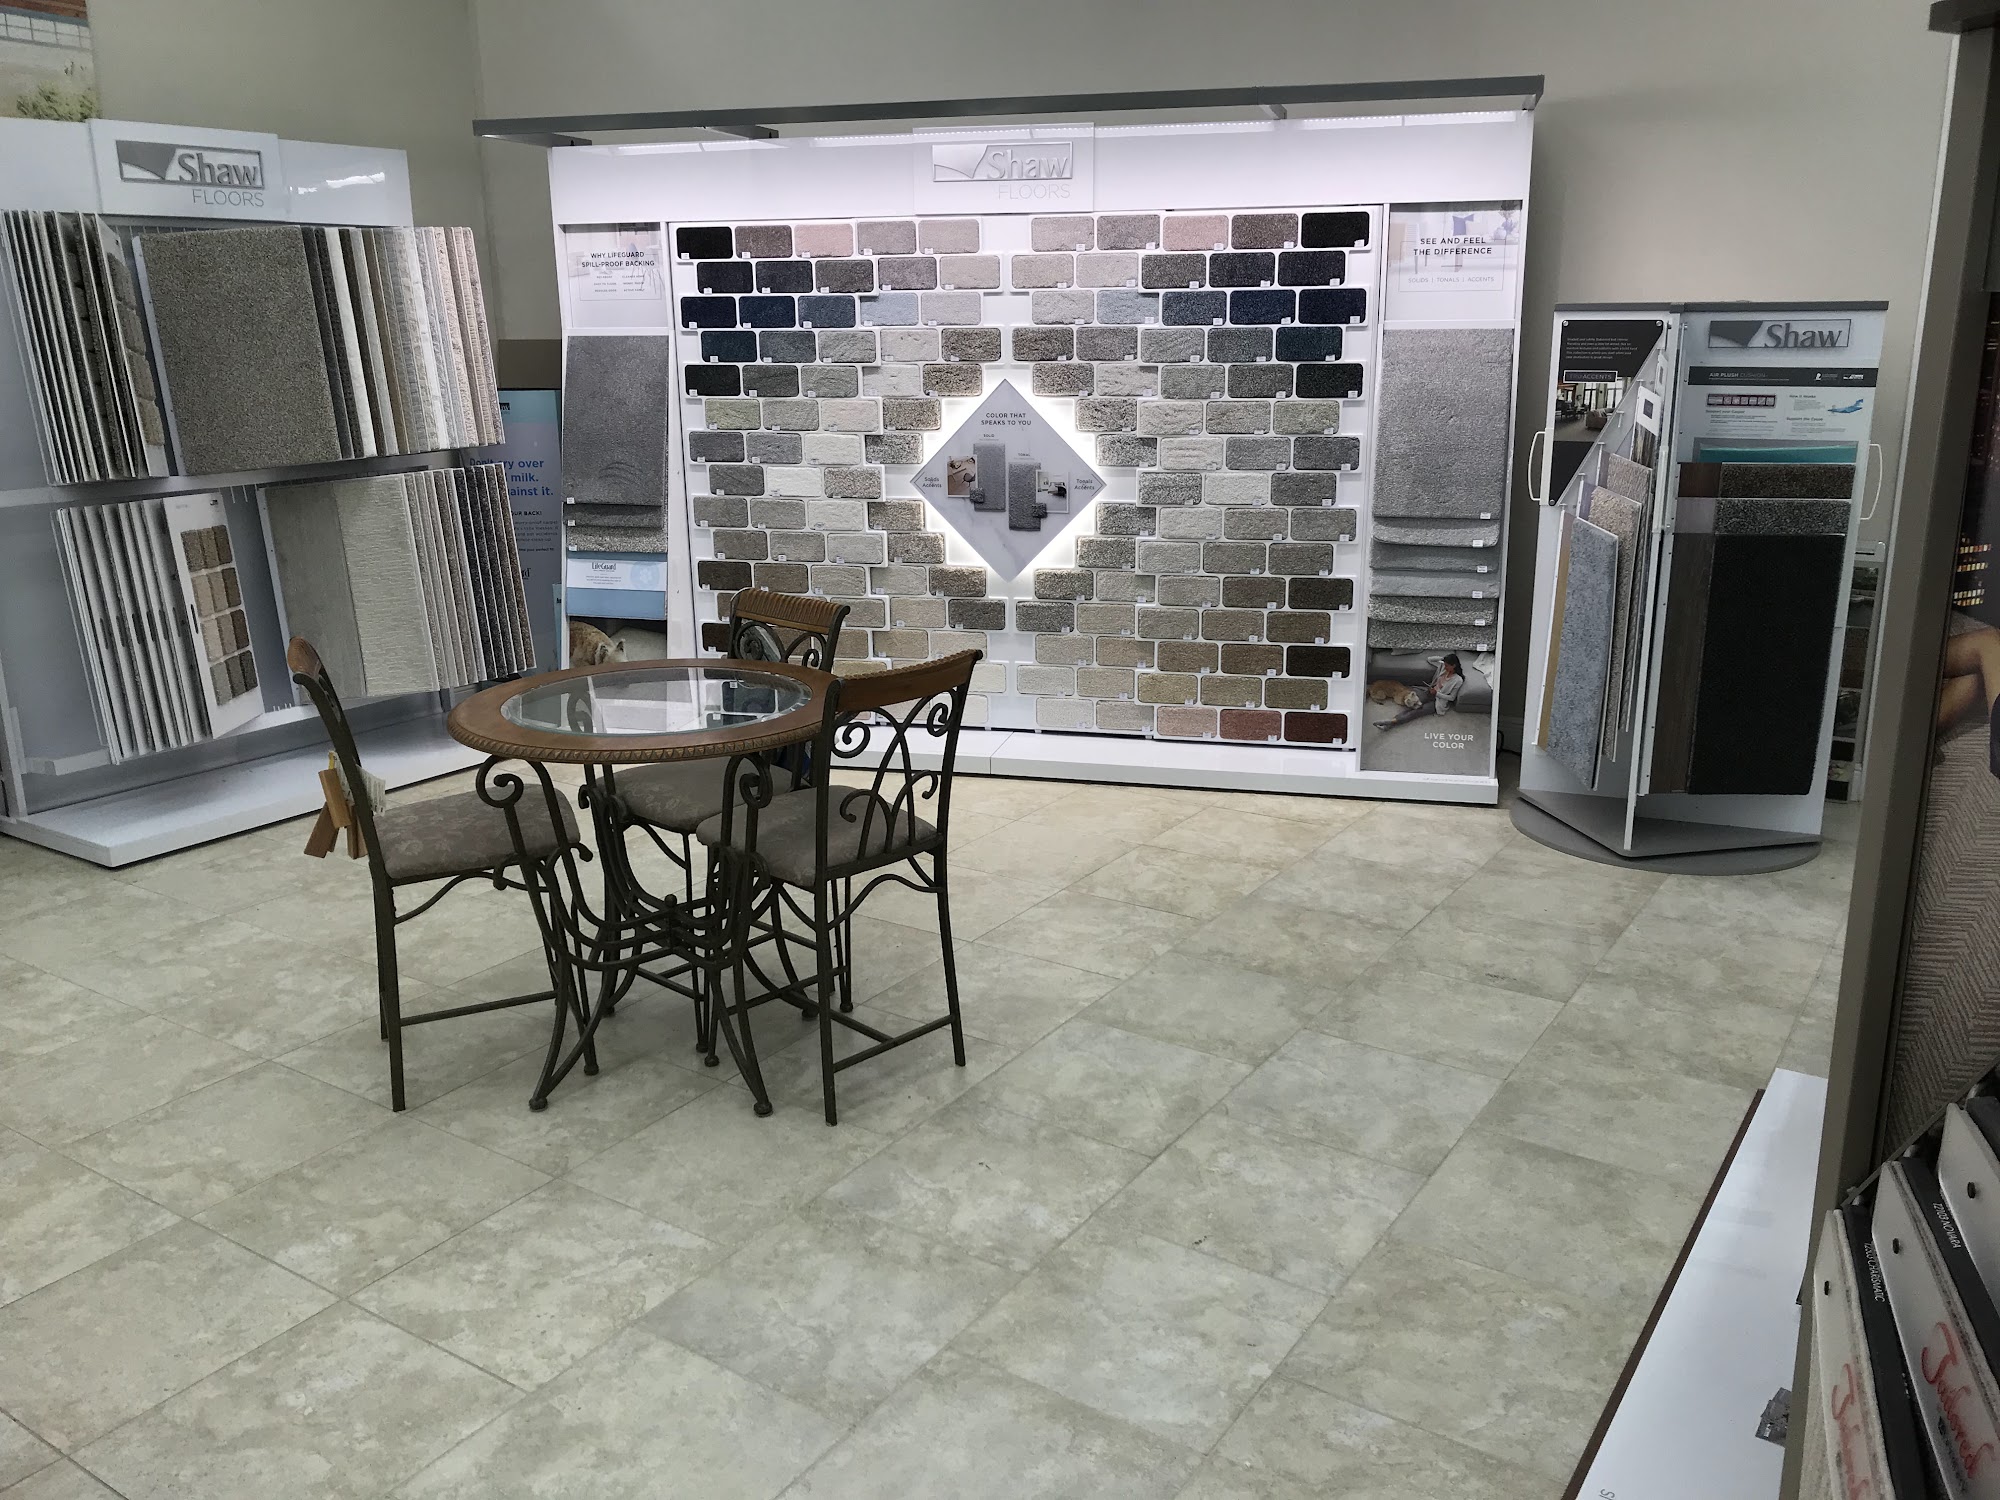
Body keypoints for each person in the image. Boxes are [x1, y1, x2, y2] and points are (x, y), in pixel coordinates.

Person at [1375, 653, 1465, 730]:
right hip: (1429, 692)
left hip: (1438, 701)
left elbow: (1452, 698)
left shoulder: (1458, 680)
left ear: (1454, 665)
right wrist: (1443, 658)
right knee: (1412, 706)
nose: (1445, 666)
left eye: (1447, 665)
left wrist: (1437, 693)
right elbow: (1430, 659)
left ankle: (1391, 722)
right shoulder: (1443, 667)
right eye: (1445, 664)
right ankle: (1390, 723)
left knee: (1418, 711)